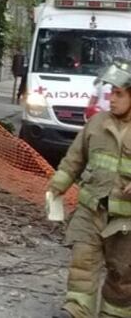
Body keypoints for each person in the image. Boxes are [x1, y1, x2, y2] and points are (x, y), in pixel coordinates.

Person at [48, 59, 131, 318]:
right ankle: (76, 309)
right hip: (91, 209)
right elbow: (74, 158)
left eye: (119, 94)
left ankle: (114, 313)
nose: (112, 99)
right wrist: (56, 187)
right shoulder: (97, 124)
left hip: (126, 220)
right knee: (82, 262)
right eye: (110, 92)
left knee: (123, 273)